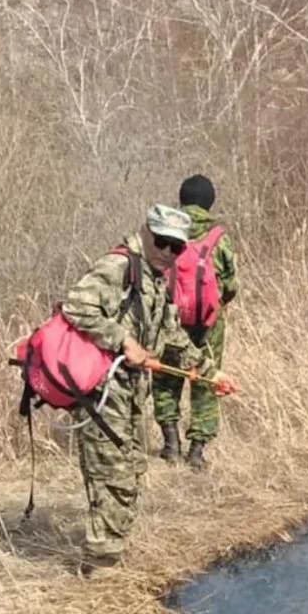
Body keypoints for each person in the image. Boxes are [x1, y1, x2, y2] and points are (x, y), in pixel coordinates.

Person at [61, 203, 218, 569]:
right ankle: (99, 570)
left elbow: (172, 333)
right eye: (162, 242)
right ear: (147, 232)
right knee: (112, 477)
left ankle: (108, 557)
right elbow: (76, 306)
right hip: (102, 393)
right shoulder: (118, 266)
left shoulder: (155, 276)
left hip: (131, 393)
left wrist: (209, 370)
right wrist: (123, 340)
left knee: (130, 472)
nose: (168, 252)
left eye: (176, 247)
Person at [153, 173, 239, 470]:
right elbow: (231, 285)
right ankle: (197, 452)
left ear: (182, 199)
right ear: (210, 202)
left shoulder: (166, 233)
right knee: (206, 378)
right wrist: (218, 307)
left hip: (170, 320)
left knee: (166, 378)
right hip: (209, 322)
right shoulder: (219, 237)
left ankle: (170, 444)